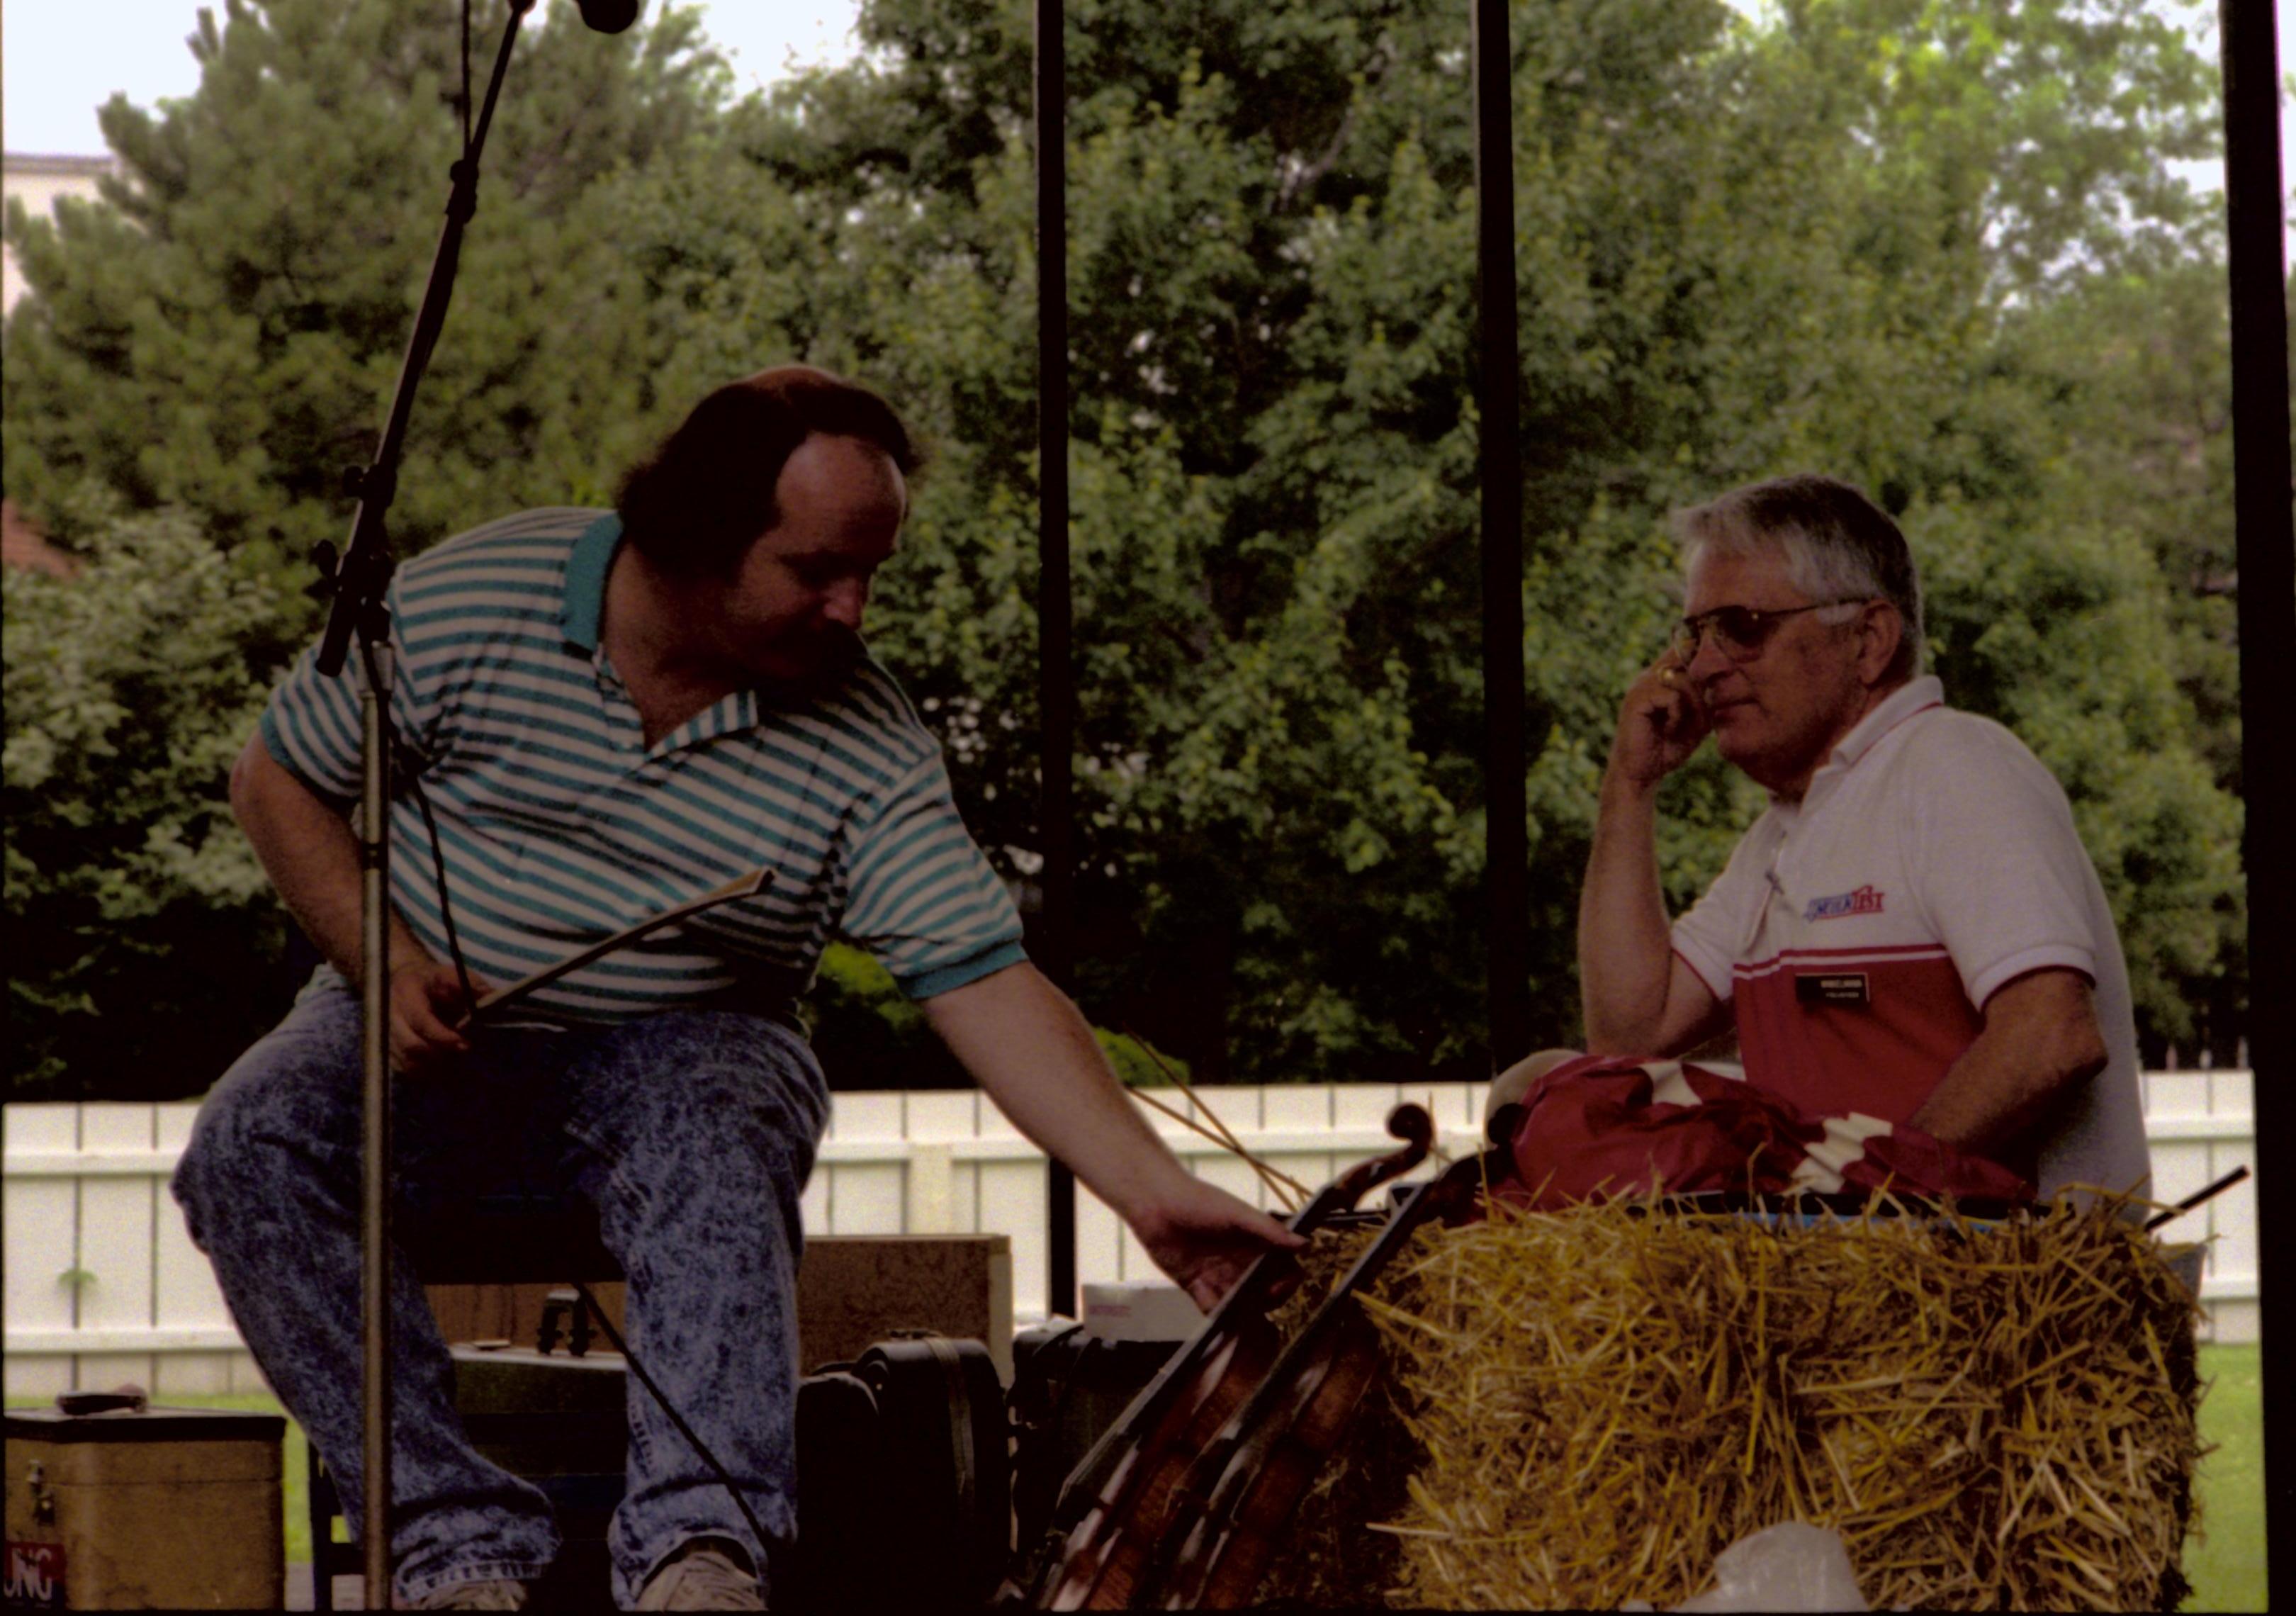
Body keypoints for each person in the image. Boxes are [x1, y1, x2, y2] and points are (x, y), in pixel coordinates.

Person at [171, 366, 1300, 1611]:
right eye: (817, 571)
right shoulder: (467, 599)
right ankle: (452, 1541)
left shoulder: (864, 738)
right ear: (694, 541)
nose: (853, 610)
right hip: (421, 1031)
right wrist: (375, 956)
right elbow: (276, 784)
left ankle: (698, 1558)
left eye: (871, 572)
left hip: (687, 1045)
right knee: (251, 1139)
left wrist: (1151, 1194)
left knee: (714, 1111)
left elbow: (980, 976)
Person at [1571, 473, 2150, 1208]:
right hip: (1871, 1287)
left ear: (1869, 641)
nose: (1704, 667)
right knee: (1541, 1089)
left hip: (1988, 1295)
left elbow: (2051, 1037)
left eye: (1743, 627)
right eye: (1694, 633)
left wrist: (1860, 1211)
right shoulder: (1791, 828)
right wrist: (1630, 785)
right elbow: (1627, 1040)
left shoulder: (1954, 763)